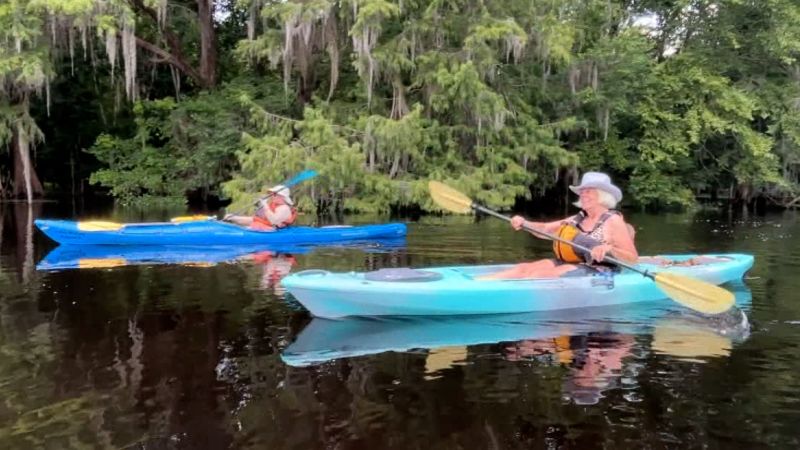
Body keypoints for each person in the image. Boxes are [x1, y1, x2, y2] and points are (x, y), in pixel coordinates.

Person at [480, 172, 638, 279]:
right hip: (569, 263)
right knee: (523, 269)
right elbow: (545, 230)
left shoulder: (613, 221)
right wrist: (524, 223)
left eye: (589, 191)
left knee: (542, 275)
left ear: (602, 195)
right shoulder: (577, 219)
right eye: (582, 191)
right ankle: (478, 284)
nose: (583, 194)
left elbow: (632, 258)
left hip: (598, 270)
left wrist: (608, 248)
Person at [224, 185, 297, 231]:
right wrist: (233, 217)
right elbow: (254, 220)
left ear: (282, 197)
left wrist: (265, 205)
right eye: (271, 194)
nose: (272, 196)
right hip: (265, 229)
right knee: (253, 222)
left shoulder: (284, 208)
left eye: (274, 194)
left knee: (255, 226)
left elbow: (274, 221)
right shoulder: (274, 205)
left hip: (273, 231)